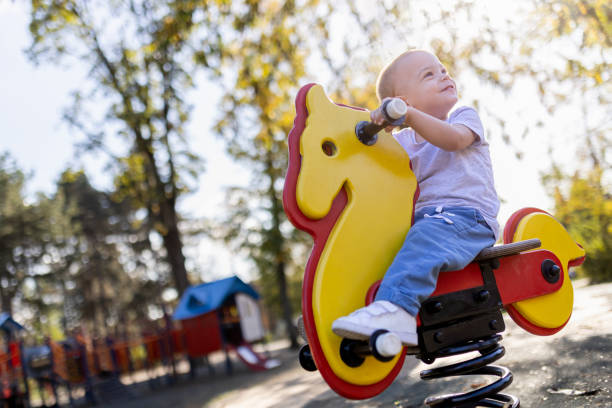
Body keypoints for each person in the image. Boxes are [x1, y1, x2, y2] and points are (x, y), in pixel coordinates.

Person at [331, 50, 500, 346]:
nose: (444, 76)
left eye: (443, 70)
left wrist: (408, 116)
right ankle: (360, 306)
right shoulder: (402, 144)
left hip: (467, 219)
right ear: (403, 100)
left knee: (425, 235)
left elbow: (454, 140)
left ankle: (398, 310)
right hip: (431, 222)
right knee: (387, 243)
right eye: (429, 74)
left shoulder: (463, 117)